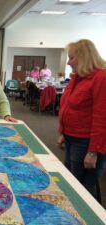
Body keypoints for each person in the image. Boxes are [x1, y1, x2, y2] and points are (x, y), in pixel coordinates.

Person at [57, 39, 106, 201]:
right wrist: (63, 132)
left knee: (81, 190)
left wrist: (93, 151)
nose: (69, 62)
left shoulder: (101, 77)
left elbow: (101, 118)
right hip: (72, 138)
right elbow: (68, 106)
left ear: (84, 57)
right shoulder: (78, 77)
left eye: (71, 58)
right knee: (72, 182)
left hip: (86, 143)